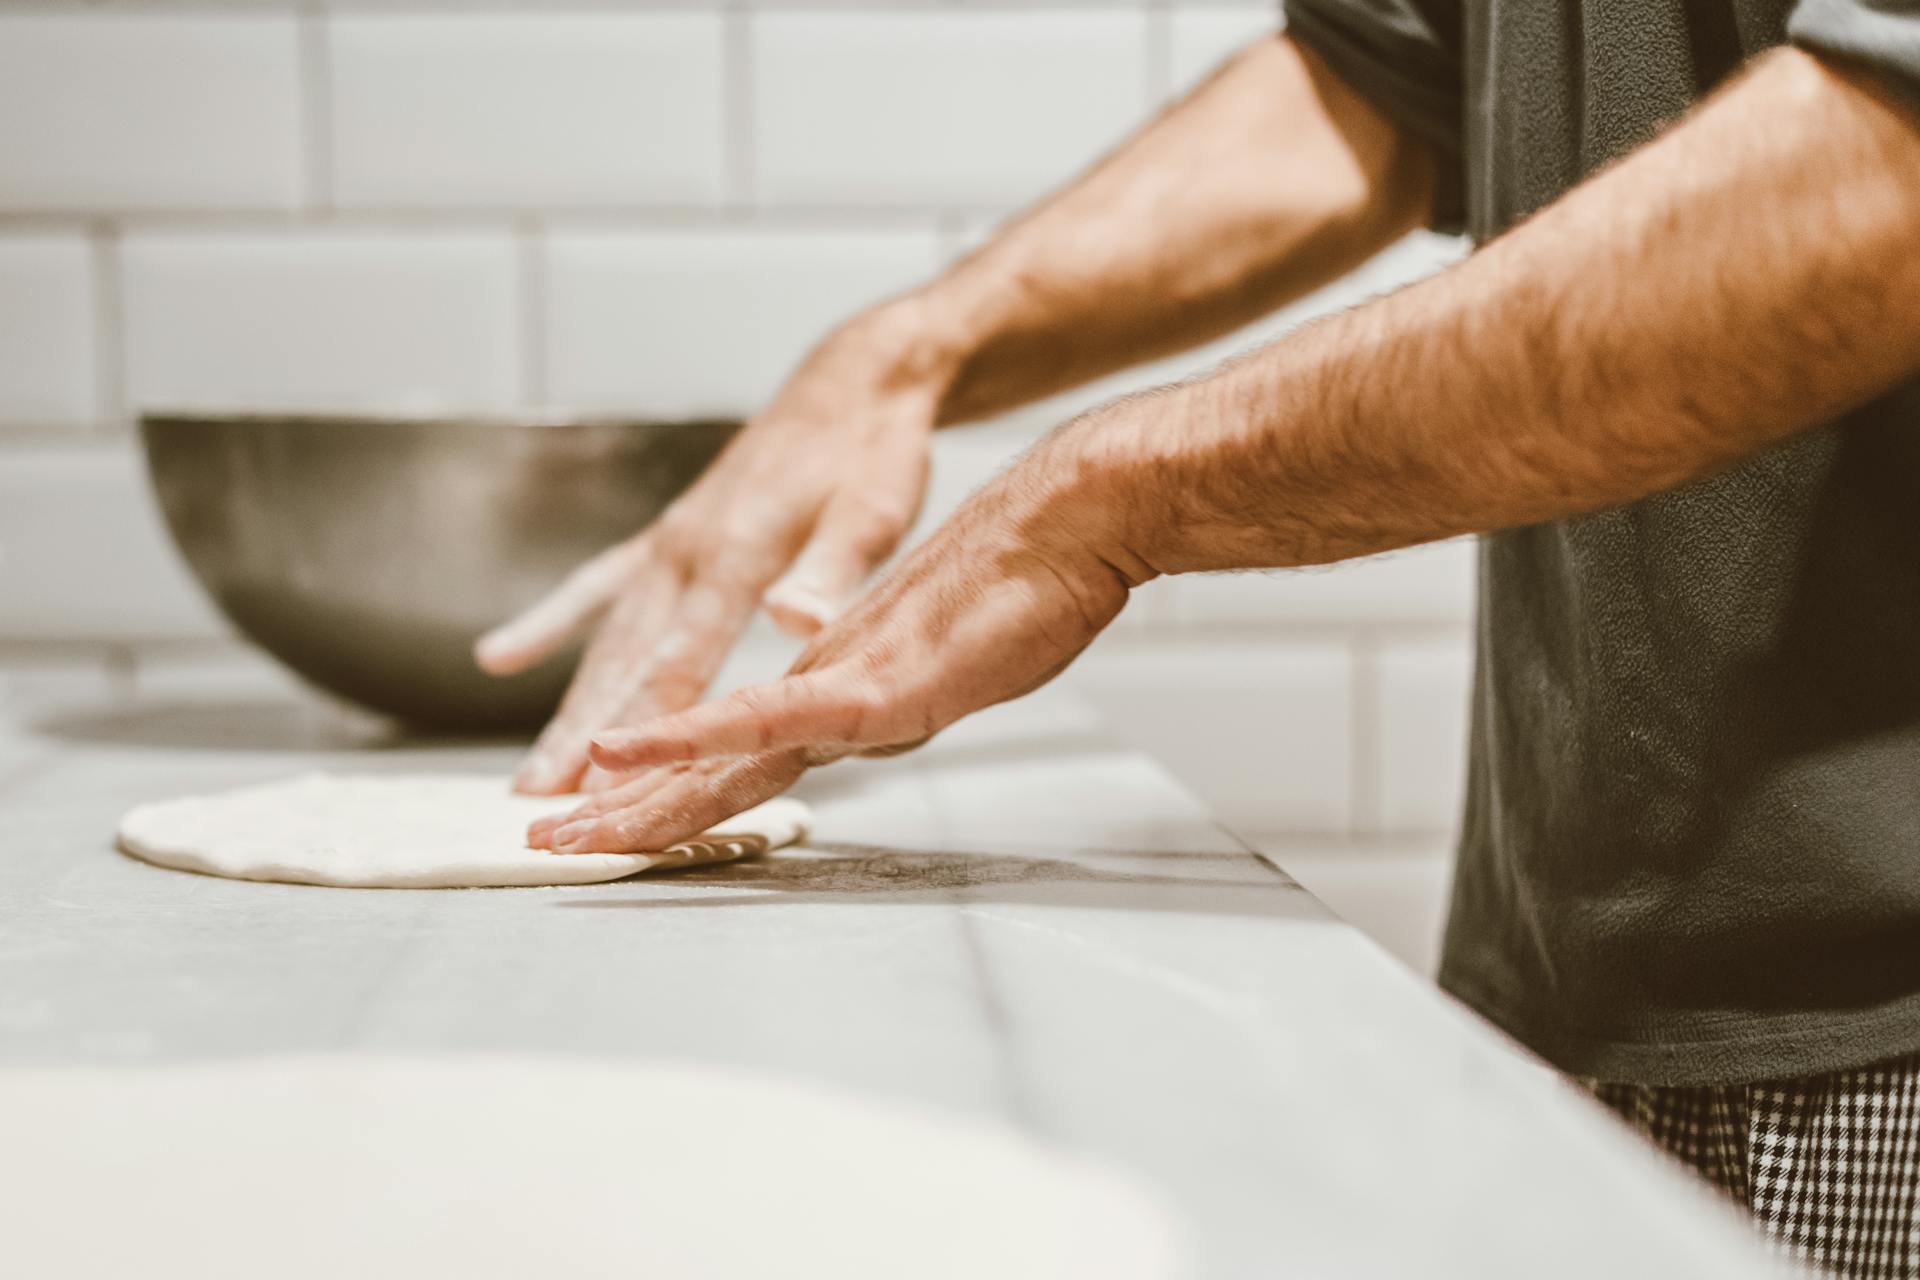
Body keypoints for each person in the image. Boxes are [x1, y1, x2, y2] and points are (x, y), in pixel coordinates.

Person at [476, 2, 1920, 1271]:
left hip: (1884, 1040)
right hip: (1583, 976)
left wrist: (1113, 495)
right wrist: (917, 342)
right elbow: (1391, 76)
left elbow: (1882, 170)